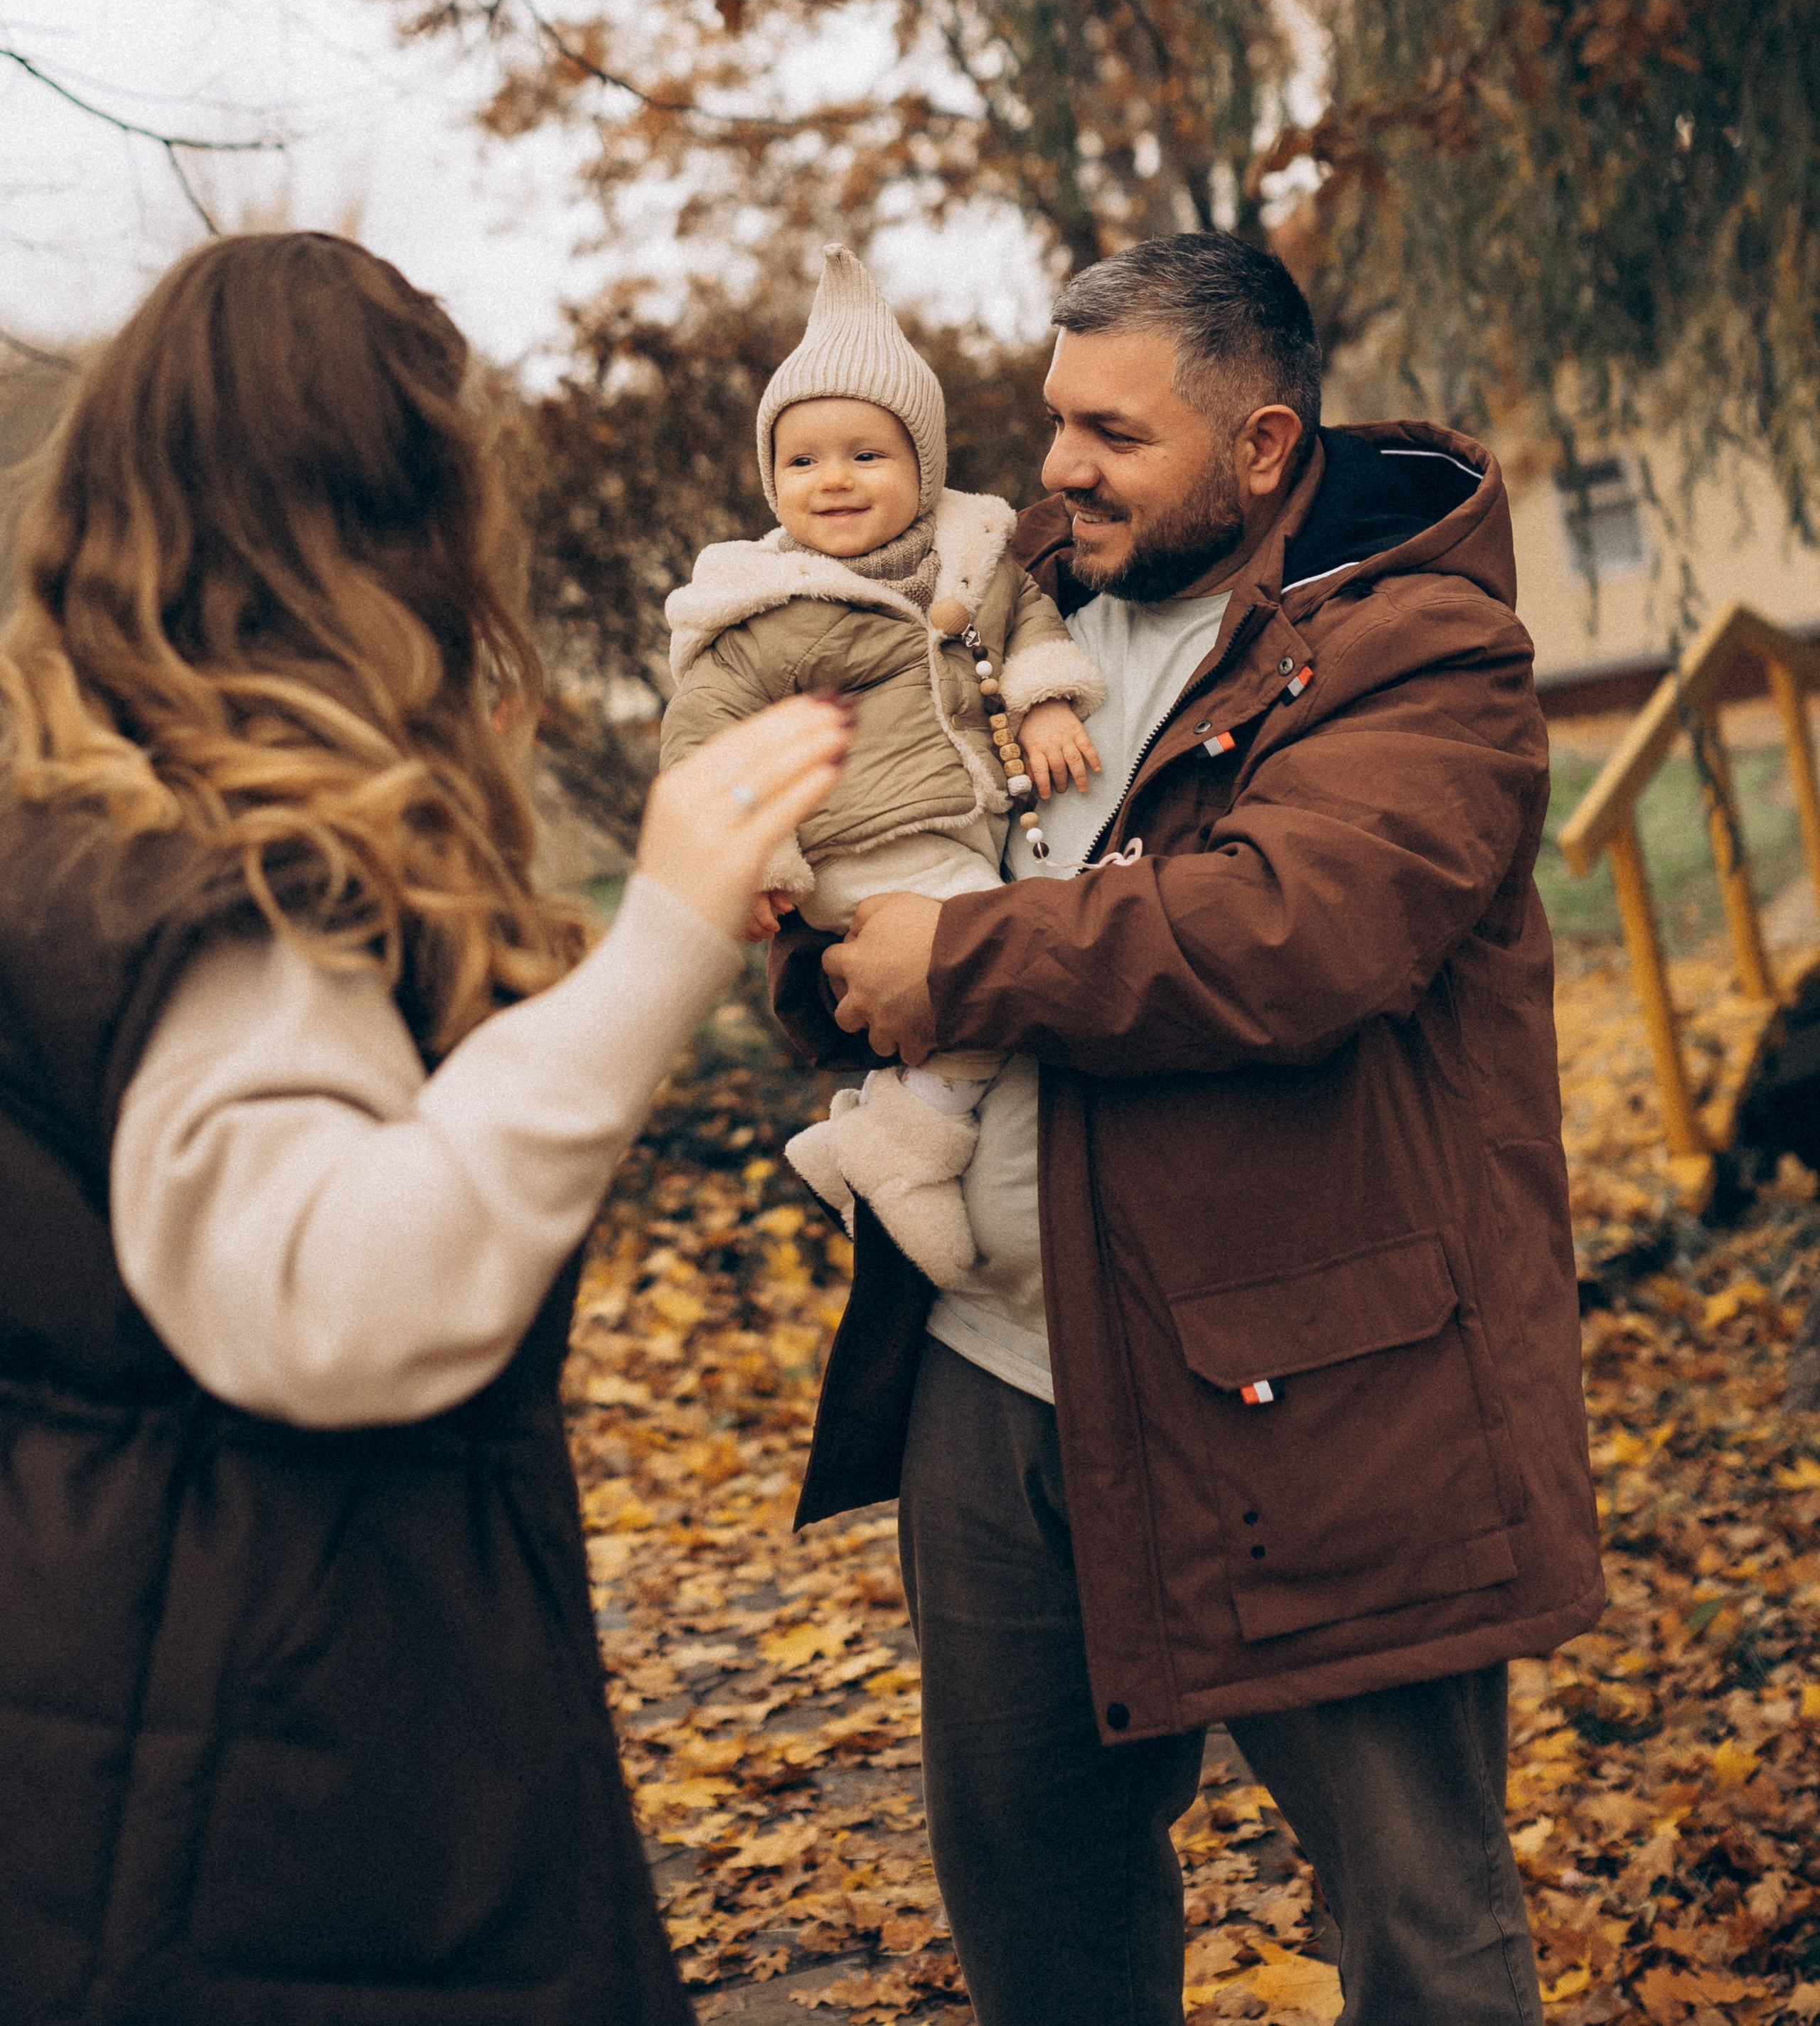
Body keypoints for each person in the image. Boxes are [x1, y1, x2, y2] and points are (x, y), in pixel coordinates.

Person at [0, 231, 852, 2026]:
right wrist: (662, 940)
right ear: (377, 516)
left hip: (162, 1712)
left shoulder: (82, 834)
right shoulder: (209, 894)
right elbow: (334, 1295)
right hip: (276, 1789)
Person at [773, 233, 1605, 2026]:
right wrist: (825, 940)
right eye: (1052, 417)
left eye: (1112, 433)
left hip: (1315, 1386)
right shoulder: (997, 616)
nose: (1056, 466)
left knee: (1417, 1919)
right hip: (993, 1367)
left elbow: (1292, 929)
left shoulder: (1421, 649)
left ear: (1259, 444)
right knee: (1038, 1901)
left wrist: (956, 956)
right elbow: (884, 877)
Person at [660, 243, 1103, 1287]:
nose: (835, 481)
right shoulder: (768, 609)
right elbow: (707, 735)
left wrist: (1044, 699)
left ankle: (859, 1131)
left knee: (985, 968)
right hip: (863, 841)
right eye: (803, 462)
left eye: (866, 454)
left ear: (923, 468)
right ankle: (905, 1150)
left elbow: (1028, 619)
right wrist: (752, 859)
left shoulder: (973, 558)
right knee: (987, 972)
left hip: (956, 826)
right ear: (772, 482)